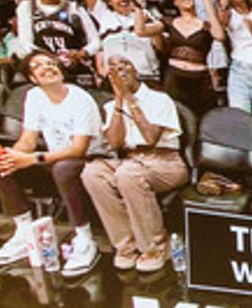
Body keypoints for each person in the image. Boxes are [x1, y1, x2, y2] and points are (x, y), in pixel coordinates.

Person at [0, 50, 102, 277]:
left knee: (63, 168)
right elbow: (28, 140)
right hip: (55, 158)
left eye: (51, 63)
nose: (47, 67)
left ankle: (85, 239)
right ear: (33, 79)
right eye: (39, 66)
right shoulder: (34, 96)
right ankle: (23, 232)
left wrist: (31, 159)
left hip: (91, 160)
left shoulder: (80, 98)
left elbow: (79, 149)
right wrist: (12, 155)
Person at [81, 56, 188, 273]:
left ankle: (156, 246)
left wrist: (129, 97)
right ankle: (126, 246)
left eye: (124, 66)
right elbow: (114, 143)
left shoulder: (160, 99)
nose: (120, 72)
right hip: (130, 159)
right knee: (92, 173)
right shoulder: (111, 105)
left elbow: (150, 138)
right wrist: (119, 101)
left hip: (165, 161)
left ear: (135, 71)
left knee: (128, 174)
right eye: (113, 70)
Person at [13, 0, 99, 84]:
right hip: (42, 69)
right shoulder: (26, 7)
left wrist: (81, 53)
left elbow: (96, 42)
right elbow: (26, 43)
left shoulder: (75, 8)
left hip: (72, 69)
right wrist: (51, 59)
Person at [153, 0, 226, 116]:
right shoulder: (168, 22)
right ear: (174, 1)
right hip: (174, 79)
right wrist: (139, 5)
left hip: (199, 82)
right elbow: (141, 31)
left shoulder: (206, 25)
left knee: (200, 123)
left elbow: (219, 35)